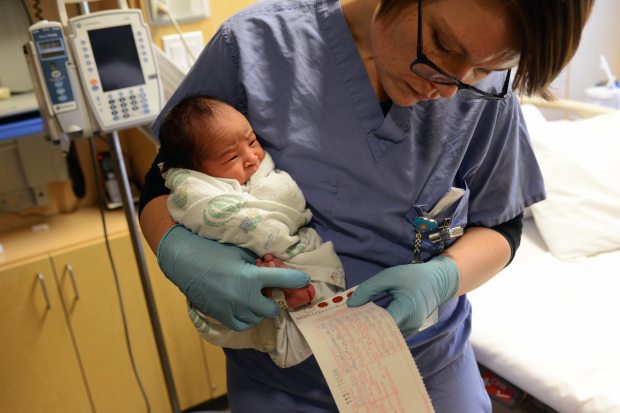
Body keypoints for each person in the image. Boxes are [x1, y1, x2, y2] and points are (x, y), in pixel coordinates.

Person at [139, 0, 594, 411]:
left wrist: (443, 277)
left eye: (484, 69)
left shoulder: (483, 92)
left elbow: (504, 222)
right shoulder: (254, 46)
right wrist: (179, 251)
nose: (450, 89)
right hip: (282, 379)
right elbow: (165, 181)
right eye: (441, 44)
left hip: (426, 367)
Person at [157, 95, 345, 368]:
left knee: (312, 262)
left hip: (287, 251)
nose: (252, 157)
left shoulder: (259, 167)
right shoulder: (195, 187)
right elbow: (208, 212)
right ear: (197, 169)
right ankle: (286, 292)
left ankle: (297, 292)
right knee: (230, 308)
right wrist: (266, 233)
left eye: (253, 141)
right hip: (232, 267)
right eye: (232, 156)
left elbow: (285, 196)